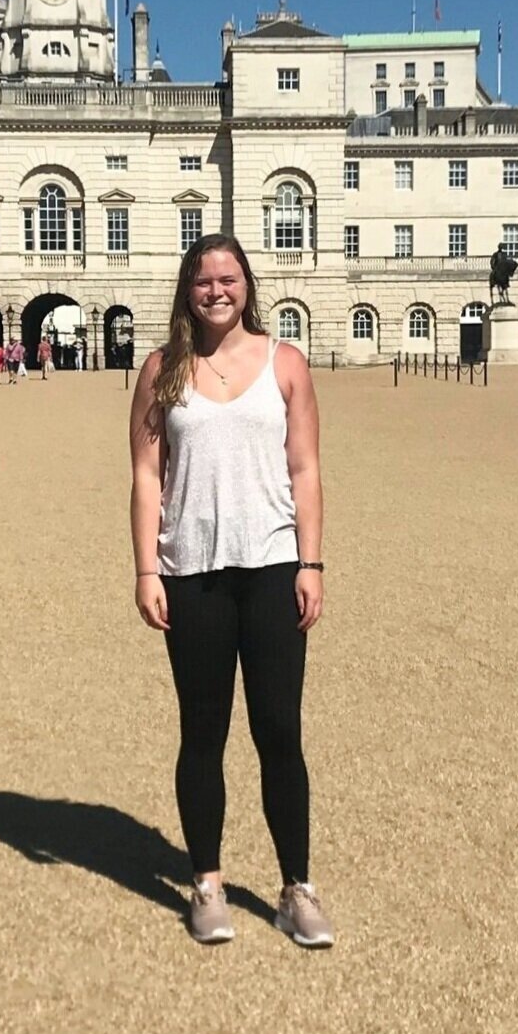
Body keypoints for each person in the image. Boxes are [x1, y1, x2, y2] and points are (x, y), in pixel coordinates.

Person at [127, 233, 331, 949]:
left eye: (228, 277)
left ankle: (295, 887)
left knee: (280, 731)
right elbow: (147, 475)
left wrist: (311, 563)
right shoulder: (161, 369)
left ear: (246, 284)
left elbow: (303, 469)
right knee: (202, 733)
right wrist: (146, 569)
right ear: (187, 289)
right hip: (192, 571)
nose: (216, 289)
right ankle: (207, 884)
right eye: (204, 279)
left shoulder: (285, 362)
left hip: (273, 564)